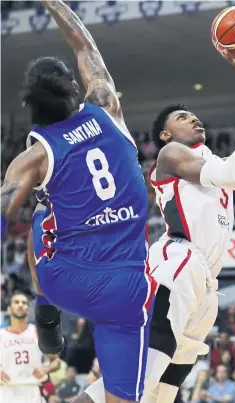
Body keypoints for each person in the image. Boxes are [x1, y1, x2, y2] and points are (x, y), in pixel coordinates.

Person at [79, 57, 235, 403]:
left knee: (165, 390)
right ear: (165, 134)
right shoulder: (172, 154)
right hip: (179, 259)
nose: (193, 117)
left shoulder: (215, 164)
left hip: (207, 280)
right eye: (181, 116)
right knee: (136, 381)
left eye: (193, 114)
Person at [0, 1, 156, 402]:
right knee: (122, 396)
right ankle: (47, 311)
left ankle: (44, 307)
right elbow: (85, 47)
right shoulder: (106, 103)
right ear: (73, 87)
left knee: (40, 213)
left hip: (67, 282)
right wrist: (55, 3)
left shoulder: (32, 158)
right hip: (126, 284)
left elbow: (2, 214)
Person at [0, 293, 60, 403]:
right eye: (16, 302)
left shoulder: (36, 332)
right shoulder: (1, 335)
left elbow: (56, 361)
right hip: (7, 391)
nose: (21, 305)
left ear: (28, 309)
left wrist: (45, 368)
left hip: (33, 391)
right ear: (9, 309)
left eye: (24, 303)